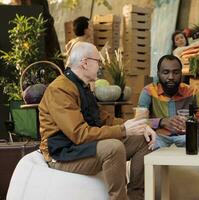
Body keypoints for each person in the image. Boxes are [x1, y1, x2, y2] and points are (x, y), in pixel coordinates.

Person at [39, 41, 156, 200]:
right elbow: (79, 134)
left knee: (142, 140)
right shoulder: (60, 89)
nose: (101, 66)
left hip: (84, 147)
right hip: (63, 153)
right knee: (114, 147)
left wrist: (140, 126)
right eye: (98, 61)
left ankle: (136, 196)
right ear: (85, 63)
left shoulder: (83, 86)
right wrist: (123, 130)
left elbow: (105, 119)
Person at [138, 54, 199, 200]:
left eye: (175, 72)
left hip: (187, 138)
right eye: (166, 72)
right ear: (158, 73)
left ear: (181, 73)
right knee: (138, 140)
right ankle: (141, 194)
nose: (171, 77)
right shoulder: (149, 92)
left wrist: (193, 121)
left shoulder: (191, 92)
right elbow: (138, 122)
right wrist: (162, 121)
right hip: (160, 139)